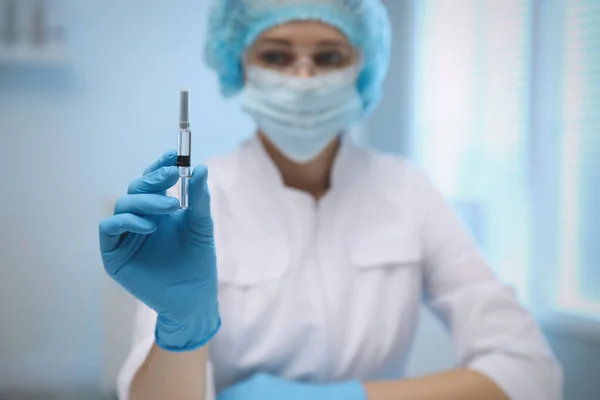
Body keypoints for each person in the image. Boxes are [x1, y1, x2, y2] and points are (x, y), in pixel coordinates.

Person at [99, 1, 562, 399]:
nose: (303, 77)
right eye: (277, 56)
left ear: (362, 65)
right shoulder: (199, 201)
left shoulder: (408, 190)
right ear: (239, 63)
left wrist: (350, 397)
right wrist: (181, 331)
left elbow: (529, 371)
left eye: (328, 56)